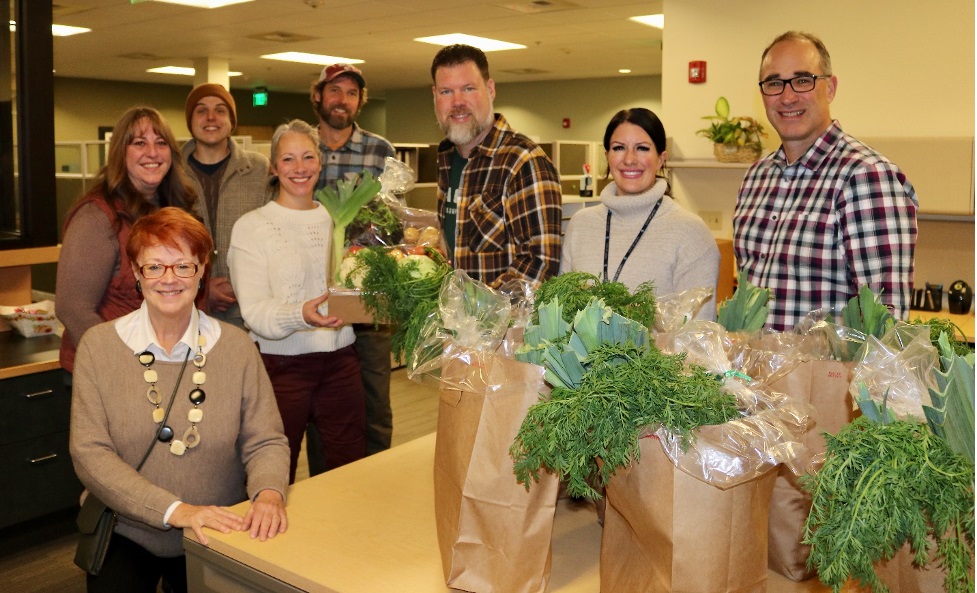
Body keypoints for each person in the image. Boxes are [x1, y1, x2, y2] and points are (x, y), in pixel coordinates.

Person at [69, 207, 290, 593]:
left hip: (220, 526)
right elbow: (90, 454)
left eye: (182, 266)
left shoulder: (236, 346)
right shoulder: (98, 346)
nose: (169, 279)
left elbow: (266, 439)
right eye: (154, 266)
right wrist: (178, 511)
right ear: (136, 273)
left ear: (202, 270)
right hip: (128, 529)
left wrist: (269, 493)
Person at [733, 31, 918, 331]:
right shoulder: (755, 178)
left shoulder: (866, 177)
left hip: (826, 377)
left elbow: (885, 323)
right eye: (774, 83)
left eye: (803, 79)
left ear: (830, 88)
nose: (787, 96)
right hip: (749, 375)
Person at [228, 119, 366, 483]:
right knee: (273, 475)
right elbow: (254, 312)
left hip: (341, 362)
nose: (299, 168)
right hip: (280, 367)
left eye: (308, 157)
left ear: (321, 162)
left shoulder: (342, 219)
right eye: (288, 159)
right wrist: (300, 315)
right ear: (273, 167)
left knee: (348, 472)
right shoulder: (251, 227)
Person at [57, 106, 199, 378]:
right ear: (120, 153)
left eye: (161, 143)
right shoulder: (97, 217)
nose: (153, 153)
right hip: (113, 372)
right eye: (139, 143)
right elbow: (72, 309)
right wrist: (123, 365)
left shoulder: (173, 209)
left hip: (168, 365)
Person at [310, 63, 396, 461]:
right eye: (334, 90)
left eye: (351, 92)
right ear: (318, 96)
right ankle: (325, 479)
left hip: (367, 293)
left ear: (360, 101)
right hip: (313, 294)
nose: (341, 99)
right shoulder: (301, 148)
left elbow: (394, 221)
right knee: (320, 398)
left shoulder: (380, 151)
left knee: (374, 395)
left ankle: (377, 475)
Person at [561, 108, 720, 320]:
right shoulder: (580, 225)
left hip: (662, 354)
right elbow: (562, 313)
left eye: (642, 148)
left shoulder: (690, 232)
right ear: (607, 156)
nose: (629, 159)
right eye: (619, 148)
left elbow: (697, 334)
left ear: (661, 158)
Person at [430, 44, 563, 288]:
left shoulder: (524, 161)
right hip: (451, 321)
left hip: (501, 324)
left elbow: (539, 266)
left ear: (490, 90)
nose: (457, 102)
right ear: (434, 96)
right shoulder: (446, 159)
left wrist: (474, 312)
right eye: (446, 92)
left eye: (468, 89)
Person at [181, 83, 271, 329]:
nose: (211, 117)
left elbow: (273, 239)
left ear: (232, 121)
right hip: (186, 313)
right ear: (190, 121)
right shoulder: (172, 172)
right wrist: (200, 287)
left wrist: (239, 284)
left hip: (249, 313)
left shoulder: (259, 169)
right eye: (201, 110)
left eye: (220, 110)